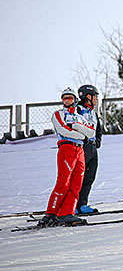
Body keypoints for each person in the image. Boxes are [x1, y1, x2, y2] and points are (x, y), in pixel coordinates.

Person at [38, 87, 96, 227]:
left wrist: (75, 126)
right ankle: (51, 213)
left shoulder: (79, 117)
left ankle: (67, 213)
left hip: (79, 151)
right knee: (63, 182)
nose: (67, 101)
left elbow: (92, 132)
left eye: (70, 98)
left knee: (76, 184)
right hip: (67, 148)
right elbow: (63, 129)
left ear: (75, 100)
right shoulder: (58, 114)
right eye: (65, 98)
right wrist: (81, 135)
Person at [75, 84, 102, 214]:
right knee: (78, 177)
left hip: (92, 148)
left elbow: (98, 129)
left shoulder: (93, 113)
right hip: (81, 147)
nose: (96, 99)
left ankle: (82, 204)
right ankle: (72, 204)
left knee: (89, 177)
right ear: (88, 96)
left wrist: (97, 142)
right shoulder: (77, 110)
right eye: (95, 96)